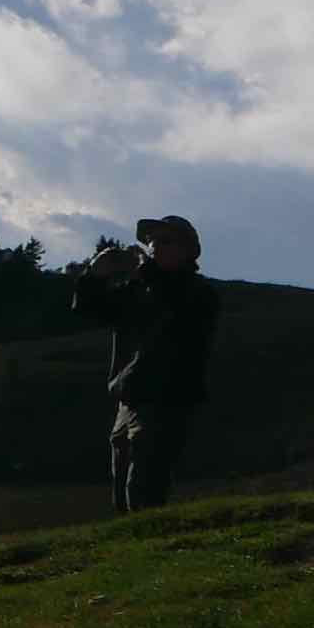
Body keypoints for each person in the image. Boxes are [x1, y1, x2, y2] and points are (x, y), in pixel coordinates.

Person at [71, 214, 218, 512]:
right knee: (122, 484)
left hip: (167, 399)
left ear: (188, 249)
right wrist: (94, 274)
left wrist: (141, 273)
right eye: (151, 242)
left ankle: (149, 541)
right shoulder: (138, 290)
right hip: (130, 398)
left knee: (144, 486)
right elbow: (88, 309)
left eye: (164, 241)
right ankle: (133, 546)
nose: (154, 248)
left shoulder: (197, 291)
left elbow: (174, 310)